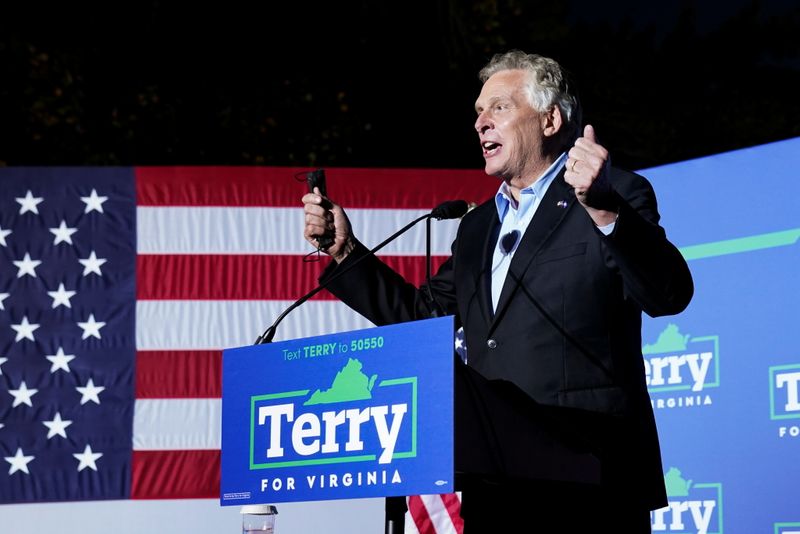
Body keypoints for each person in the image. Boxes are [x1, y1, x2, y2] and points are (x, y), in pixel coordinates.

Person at [302, 50, 693, 533]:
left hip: (590, 478)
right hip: (497, 481)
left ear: (550, 120)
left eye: (499, 108)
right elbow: (424, 316)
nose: (481, 123)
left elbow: (669, 293)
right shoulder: (477, 227)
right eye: (478, 114)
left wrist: (606, 210)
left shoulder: (615, 194)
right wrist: (345, 253)